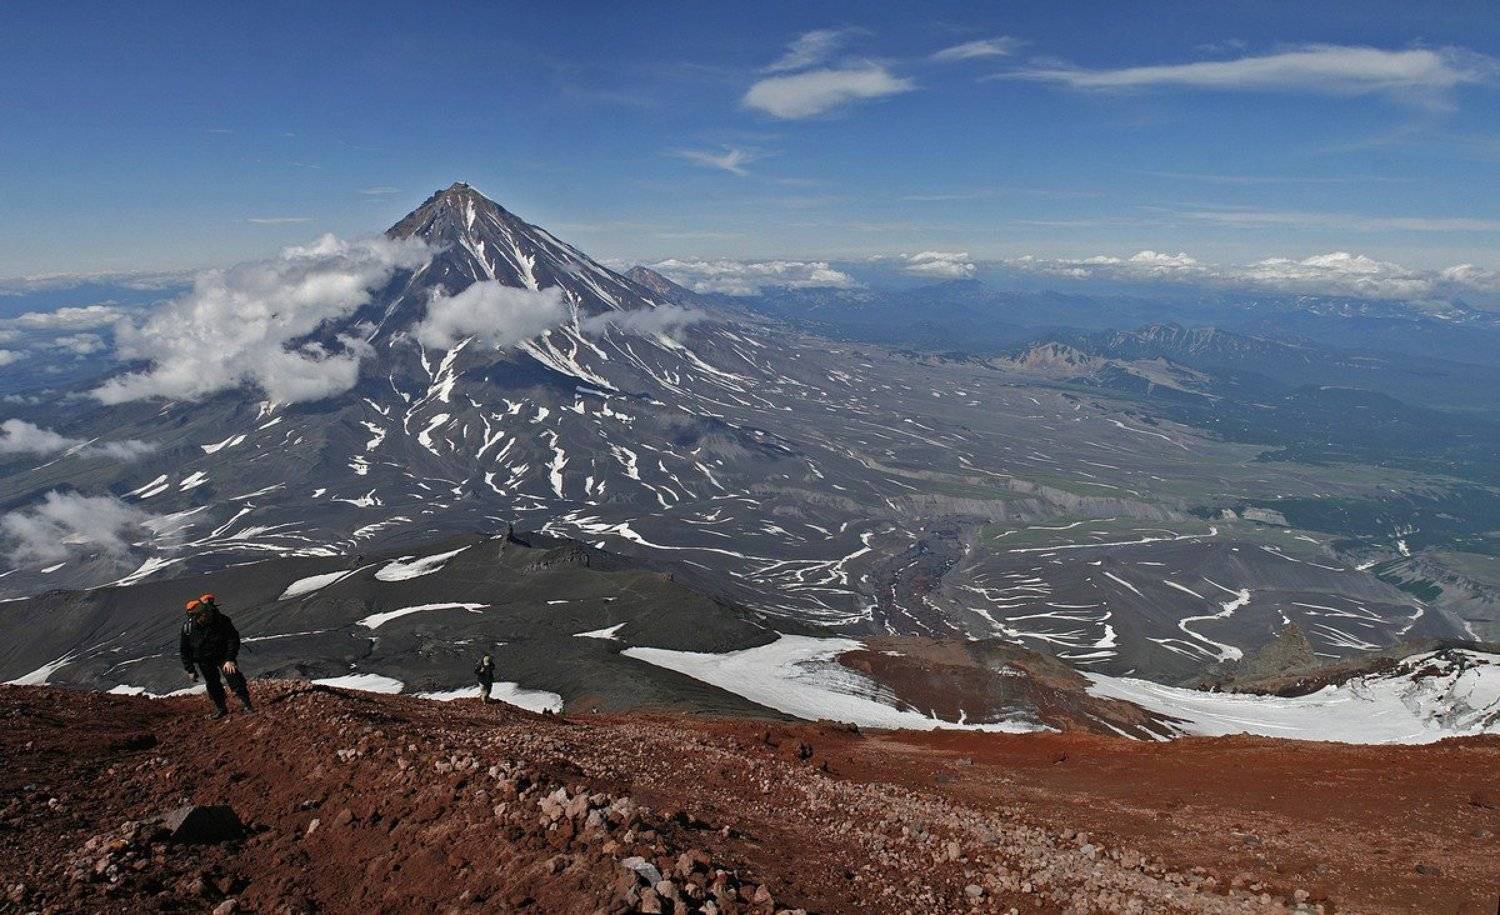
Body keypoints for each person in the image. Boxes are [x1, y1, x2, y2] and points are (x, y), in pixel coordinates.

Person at [180, 593, 254, 719]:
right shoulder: (188, 628)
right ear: (196, 616)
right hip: (204, 660)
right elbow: (185, 650)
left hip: (223, 656)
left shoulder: (221, 620)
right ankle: (221, 709)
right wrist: (190, 669)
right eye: (204, 615)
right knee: (213, 684)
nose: (207, 616)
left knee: (234, 677)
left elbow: (232, 639)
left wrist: (230, 659)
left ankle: (247, 705)